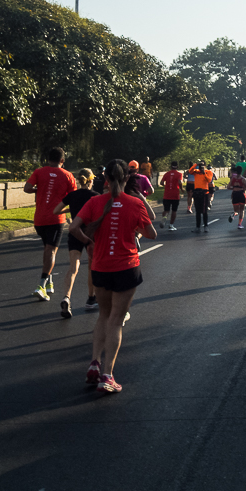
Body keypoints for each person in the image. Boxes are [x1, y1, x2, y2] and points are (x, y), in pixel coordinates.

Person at [68, 159, 157, 394]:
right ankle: (107, 375)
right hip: (126, 267)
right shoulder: (134, 203)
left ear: (104, 179)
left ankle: (94, 362)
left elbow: (73, 228)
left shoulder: (94, 202)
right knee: (117, 320)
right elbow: (152, 234)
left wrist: (90, 242)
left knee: (103, 316)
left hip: (100, 266)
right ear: (127, 179)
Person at [24, 147, 78, 301]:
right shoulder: (68, 175)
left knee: (47, 250)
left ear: (48, 159)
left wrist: (39, 190)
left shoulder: (39, 172)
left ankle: (49, 283)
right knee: (51, 251)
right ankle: (41, 285)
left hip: (39, 219)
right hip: (56, 218)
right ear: (62, 160)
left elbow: (27, 188)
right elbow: (73, 197)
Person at [54, 168, 99, 317]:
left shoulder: (71, 196)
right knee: (91, 267)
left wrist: (70, 211)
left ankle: (66, 297)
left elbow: (55, 211)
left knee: (73, 267)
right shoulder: (95, 197)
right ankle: (91, 298)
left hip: (75, 232)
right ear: (91, 180)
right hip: (90, 234)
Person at [186, 160, 215, 233]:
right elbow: (190, 171)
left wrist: (204, 173)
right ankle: (198, 226)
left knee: (204, 211)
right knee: (197, 211)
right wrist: (196, 164)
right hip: (197, 192)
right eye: (200, 166)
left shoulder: (209, 172)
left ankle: (206, 226)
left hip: (204, 192)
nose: (200, 167)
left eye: (202, 166)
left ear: (204, 166)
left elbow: (208, 180)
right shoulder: (196, 172)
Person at [160, 161, 183, 230]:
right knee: (174, 210)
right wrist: (181, 188)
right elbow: (180, 182)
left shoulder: (167, 174)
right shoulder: (179, 174)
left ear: (171, 166)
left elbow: (161, 182)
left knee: (166, 210)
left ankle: (164, 218)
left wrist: (165, 186)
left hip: (167, 194)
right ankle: (171, 225)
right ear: (177, 167)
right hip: (175, 195)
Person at [228, 164, 246, 229]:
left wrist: (234, 188)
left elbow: (228, 187)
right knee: (242, 210)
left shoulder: (233, 179)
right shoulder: (243, 179)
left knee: (236, 210)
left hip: (235, 194)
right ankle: (239, 224)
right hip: (241, 194)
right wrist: (242, 188)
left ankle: (234, 214)